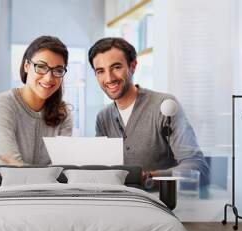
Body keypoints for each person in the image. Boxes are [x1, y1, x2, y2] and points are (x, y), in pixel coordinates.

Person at [88, 37, 209, 185]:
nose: (109, 78)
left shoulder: (165, 106)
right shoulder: (103, 118)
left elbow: (197, 169)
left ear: (133, 66)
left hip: (162, 204)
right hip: (119, 203)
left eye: (116, 67)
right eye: (100, 71)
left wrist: (148, 178)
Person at [0, 36, 73, 166]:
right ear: (26, 66)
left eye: (58, 70)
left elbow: (63, 168)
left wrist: (24, 170)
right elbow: (11, 168)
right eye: (41, 67)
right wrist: (49, 174)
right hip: (9, 186)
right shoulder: (0, 105)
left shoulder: (63, 112)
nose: (49, 78)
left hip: (52, 187)